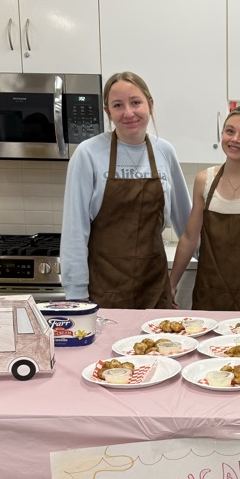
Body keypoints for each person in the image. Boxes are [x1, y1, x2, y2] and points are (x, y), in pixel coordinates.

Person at [60, 71, 191, 308]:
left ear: (150, 105)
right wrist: (76, 294)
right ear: (108, 111)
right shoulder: (88, 154)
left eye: (136, 102)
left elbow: (188, 225)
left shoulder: (165, 152)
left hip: (154, 286)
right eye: (118, 105)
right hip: (104, 289)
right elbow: (74, 231)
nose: (128, 112)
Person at [169, 105, 240, 311]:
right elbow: (189, 238)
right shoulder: (205, 181)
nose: (235, 139)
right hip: (207, 292)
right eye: (230, 131)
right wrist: (172, 283)